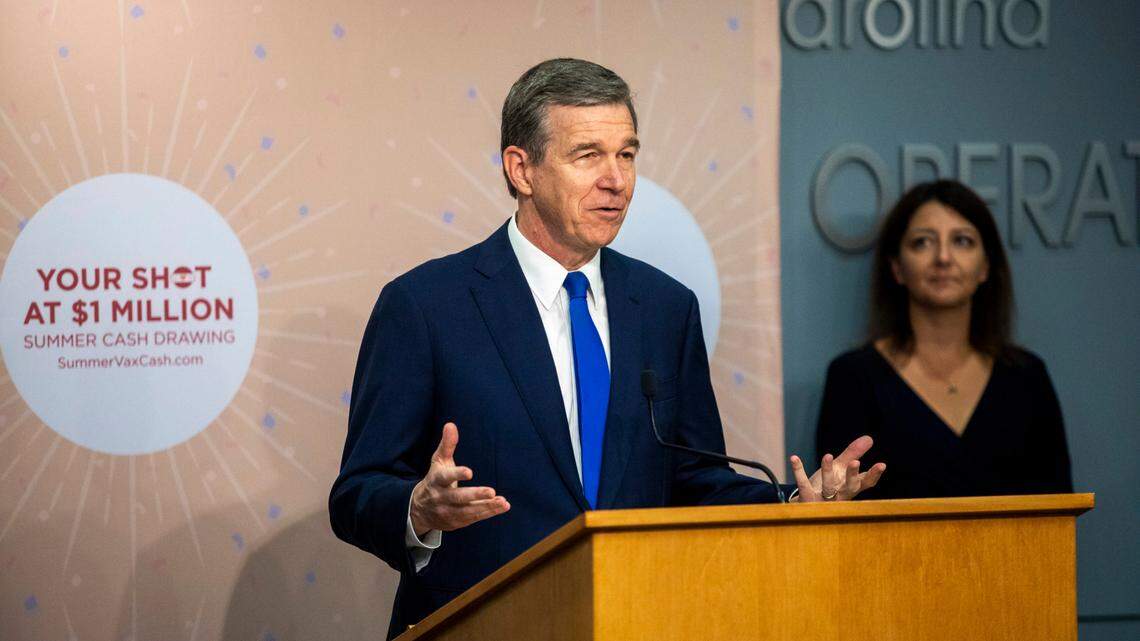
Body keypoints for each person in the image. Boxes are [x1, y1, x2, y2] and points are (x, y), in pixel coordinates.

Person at [330, 58, 884, 639]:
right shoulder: (425, 305)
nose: (616, 180)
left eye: (627, 154)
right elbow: (357, 492)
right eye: (587, 155)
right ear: (521, 169)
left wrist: (791, 502)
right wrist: (416, 510)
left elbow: (693, 479)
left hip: (632, 620)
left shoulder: (665, 308)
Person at [815, 179, 1073, 500]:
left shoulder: (1027, 377)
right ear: (896, 267)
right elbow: (834, 506)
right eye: (923, 242)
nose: (943, 257)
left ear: (985, 266)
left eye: (962, 241)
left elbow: (1058, 512)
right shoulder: (852, 377)